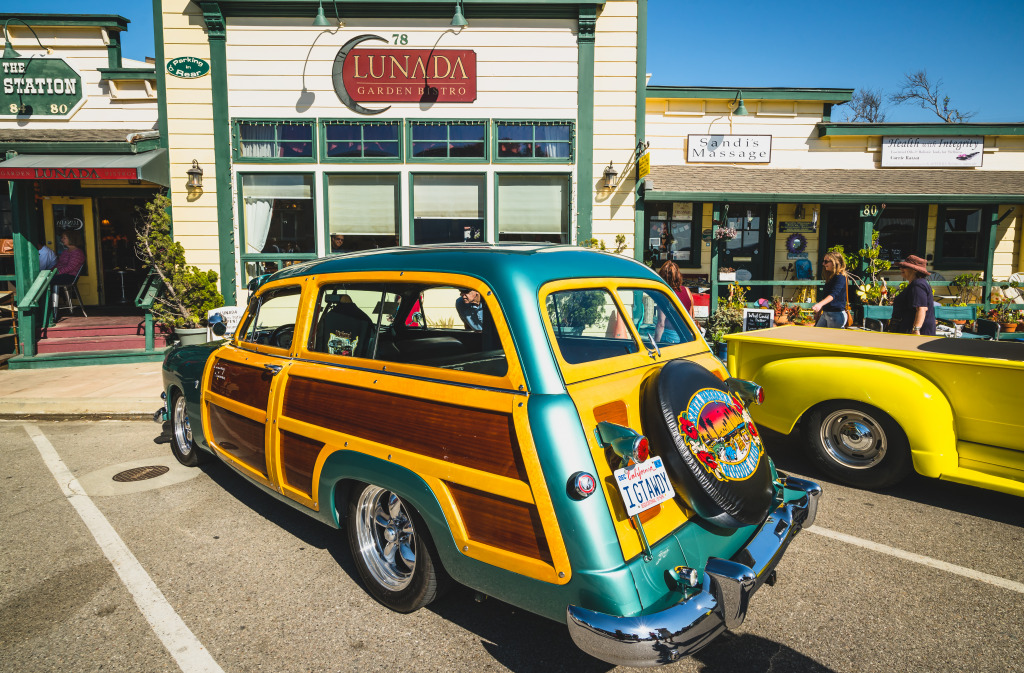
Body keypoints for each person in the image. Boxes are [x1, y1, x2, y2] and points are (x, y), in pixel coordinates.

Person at [890, 254, 936, 336]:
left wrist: (916, 330)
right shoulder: (916, 284)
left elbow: (921, 309)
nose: (901, 268)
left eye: (904, 267)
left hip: (916, 334)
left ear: (915, 270)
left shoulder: (918, 285)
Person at [51, 230, 86, 315]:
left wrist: (56, 273)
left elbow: (70, 267)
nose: (62, 240)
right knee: (45, 280)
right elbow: (59, 264)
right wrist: (51, 271)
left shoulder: (78, 252)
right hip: (62, 275)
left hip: (70, 277)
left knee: (49, 281)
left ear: (71, 238)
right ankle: (48, 308)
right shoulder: (65, 251)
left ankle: (51, 311)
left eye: (64, 238)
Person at [812, 251, 848, 329]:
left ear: (835, 262)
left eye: (826, 261)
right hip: (826, 313)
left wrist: (819, 304)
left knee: (833, 337)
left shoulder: (840, 277)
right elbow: (826, 296)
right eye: (823, 261)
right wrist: (819, 311)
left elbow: (833, 295)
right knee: (817, 334)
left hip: (836, 314)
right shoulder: (831, 277)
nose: (823, 264)